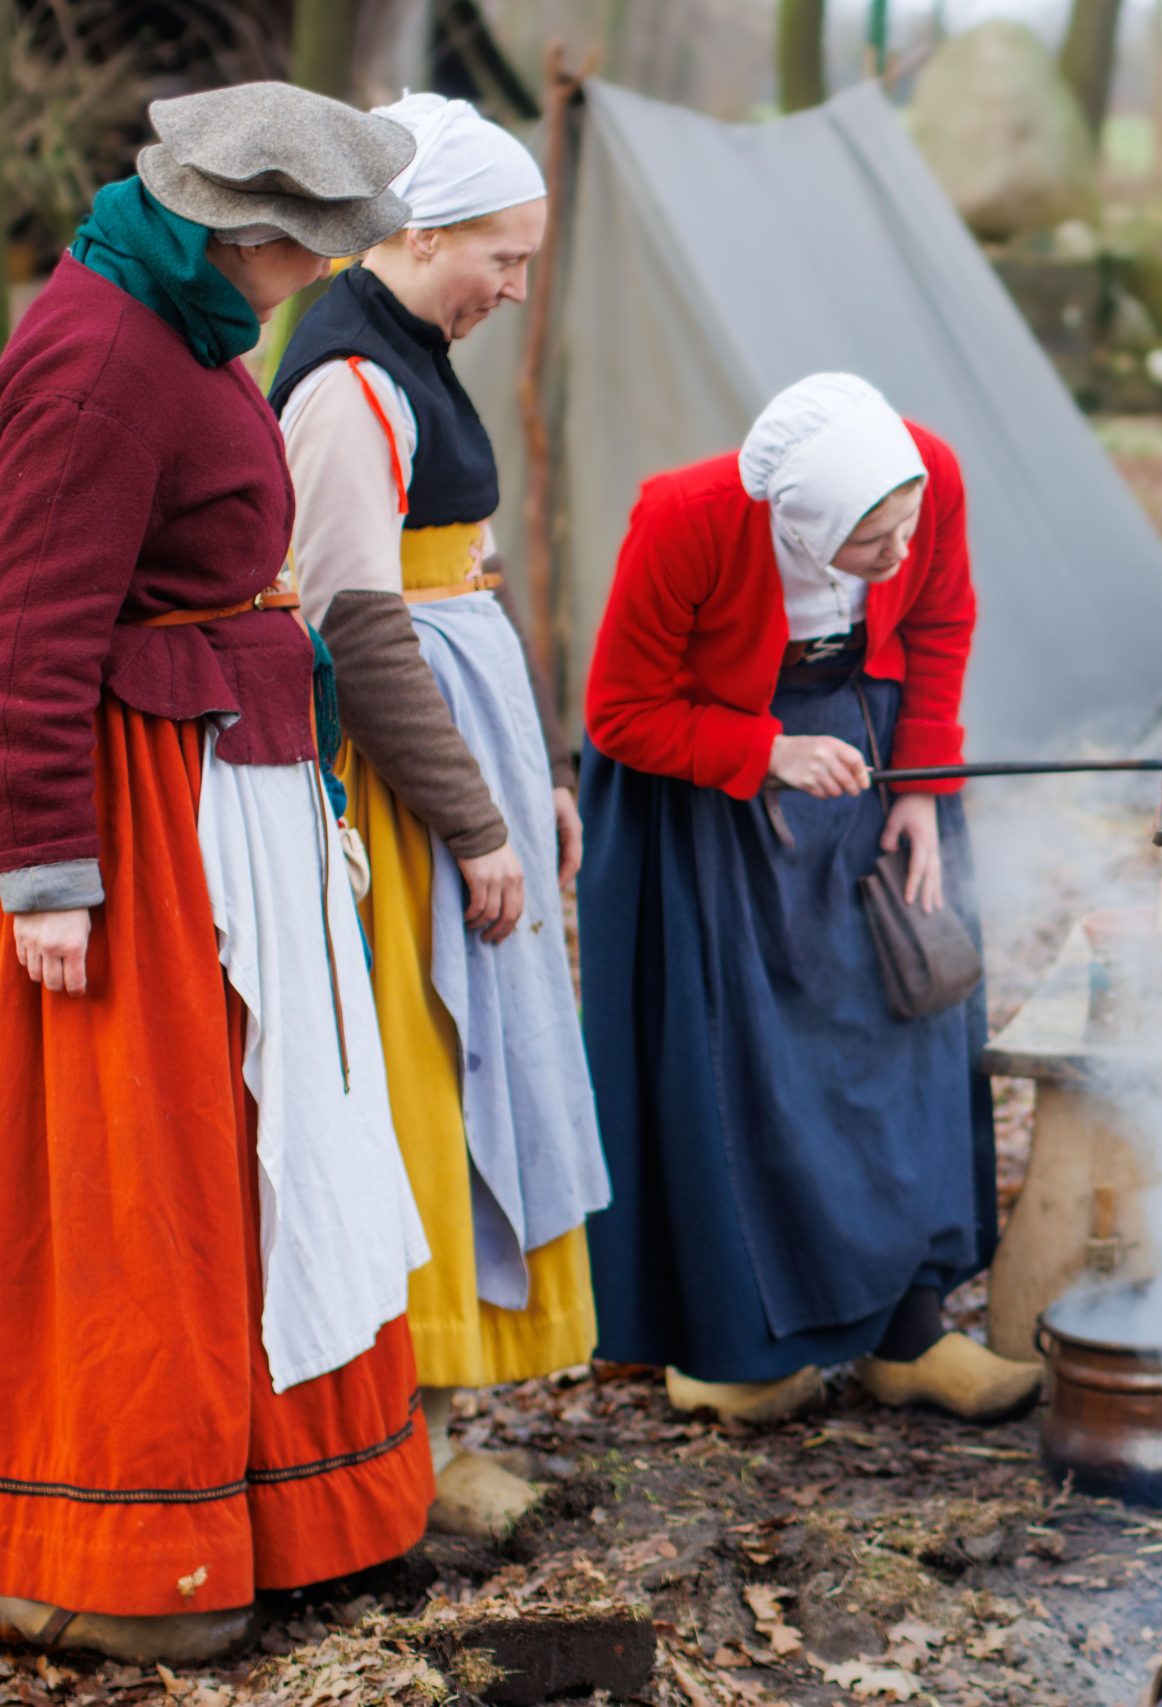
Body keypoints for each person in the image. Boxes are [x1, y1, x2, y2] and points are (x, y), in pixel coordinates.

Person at [0, 83, 434, 1664]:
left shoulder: (183, 321)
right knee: (156, 1169)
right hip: (135, 816)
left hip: (223, 788)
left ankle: (292, 1497)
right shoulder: (99, 356)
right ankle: (121, 1549)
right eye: (308, 252)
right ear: (249, 231)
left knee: (267, 1145)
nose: (315, 277)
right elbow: (31, 636)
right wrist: (48, 873)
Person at [268, 93, 609, 1542]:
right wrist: (472, 824)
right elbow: (356, 617)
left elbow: (457, 578)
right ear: (416, 232)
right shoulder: (346, 382)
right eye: (505, 256)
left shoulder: (414, 349)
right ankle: (400, 1427)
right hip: (400, 811)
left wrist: (531, 790)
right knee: (424, 1087)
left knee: (482, 1074)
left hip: (466, 785)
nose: (518, 288)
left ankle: (451, 1415)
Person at [577, 374, 1042, 1426]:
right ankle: (736, 1345)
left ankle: (908, 1331)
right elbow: (619, 712)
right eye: (870, 546)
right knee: (742, 1065)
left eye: (904, 530)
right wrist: (766, 752)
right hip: (714, 787)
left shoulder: (927, 474)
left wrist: (922, 790)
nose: (897, 559)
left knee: (902, 1029)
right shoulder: (687, 518)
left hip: (873, 764)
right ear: (802, 521)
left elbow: (941, 625)